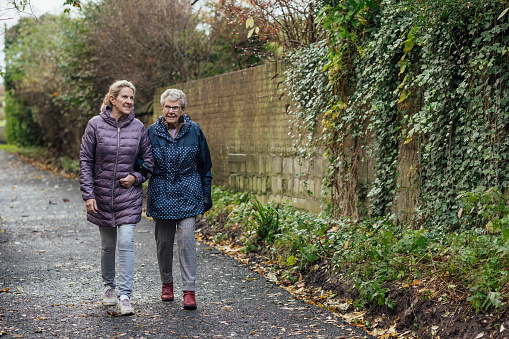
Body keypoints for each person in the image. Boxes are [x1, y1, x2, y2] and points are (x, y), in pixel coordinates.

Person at [79, 80, 153, 316]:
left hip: (128, 197)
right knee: (108, 246)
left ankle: (125, 296)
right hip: (101, 196)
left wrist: (135, 177)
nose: (130, 102)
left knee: (125, 244)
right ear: (112, 99)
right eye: (125, 97)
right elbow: (85, 162)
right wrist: (88, 195)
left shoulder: (139, 127)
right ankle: (109, 288)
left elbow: (149, 163)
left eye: (132, 98)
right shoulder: (95, 125)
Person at [146, 88, 212, 310]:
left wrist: (206, 193)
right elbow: (141, 161)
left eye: (175, 107)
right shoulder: (151, 132)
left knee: (186, 241)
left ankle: (189, 290)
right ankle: (167, 284)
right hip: (161, 192)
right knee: (164, 244)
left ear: (183, 109)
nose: (170, 111)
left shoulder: (195, 131)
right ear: (162, 107)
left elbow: (205, 165)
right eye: (167, 106)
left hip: (188, 192)